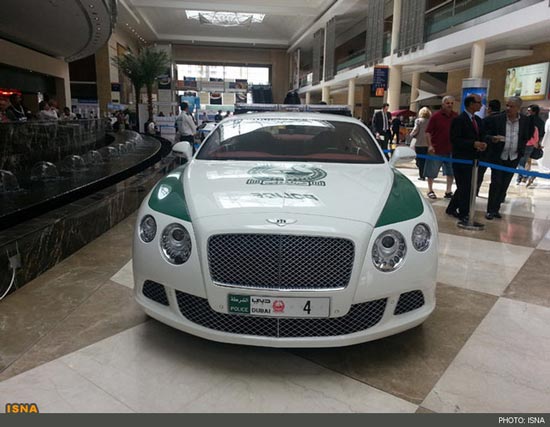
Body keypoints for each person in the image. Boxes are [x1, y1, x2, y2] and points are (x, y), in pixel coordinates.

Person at [484, 96, 530, 220]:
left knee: (504, 184)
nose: (508, 108)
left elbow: (526, 135)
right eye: (507, 105)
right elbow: (485, 134)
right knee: (496, 183)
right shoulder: (497, 119)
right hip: (498, 157)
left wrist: (521, 149)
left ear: (518, 108)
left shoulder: (525, 121)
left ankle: (496, 209)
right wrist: (492, 138)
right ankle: (490, 210)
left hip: (513, 157)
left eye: (512, 106)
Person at [447, 94, 487, 222]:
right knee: (465, 187)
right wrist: (472, 144)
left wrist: (484, 143)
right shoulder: (459, 120)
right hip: (461, 159)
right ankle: (464, 213)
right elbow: (455, 139)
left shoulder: (478, 120)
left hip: (474, 159)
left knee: (467, 186)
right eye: (478, 102)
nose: (481, 105)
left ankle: (451, 208)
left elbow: (481, 136)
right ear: (471, 104)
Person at [424, 96, 457, 199]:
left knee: (450, 171)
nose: (450, 105)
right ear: (443, 104)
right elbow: (428, 132)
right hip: (436, 149)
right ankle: (430, 190)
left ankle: (448, 191)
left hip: (450, 149)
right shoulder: (435, 116)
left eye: (451, 103)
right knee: (431, 171)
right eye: (448, 103)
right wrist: (430, 145)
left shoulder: (455, 116)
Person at [477, 99, 501, 194]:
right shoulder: (503, 120)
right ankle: (496, 196)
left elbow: (481, 135)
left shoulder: (485, 120)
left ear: (489, 108)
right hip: (499, 152)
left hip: (485, 151)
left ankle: (475, 191)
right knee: (497, 177)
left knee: (479, 174)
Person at [517, 104, 545, 187]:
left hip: (525, 145)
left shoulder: (525, 121)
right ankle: (521, 178)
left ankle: (526, 176)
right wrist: (537, 144)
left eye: (529, 110)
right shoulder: (541, 122)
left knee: (521, 163)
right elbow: (541, 134)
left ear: (533, 112)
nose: (527, 112)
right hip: (533, 145)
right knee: (526, 162)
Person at [409, 107, 431, 181]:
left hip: (419, 143)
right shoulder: (430, 121)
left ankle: (422, 175)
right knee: (425, 160)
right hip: (428, 143)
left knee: (419, 159)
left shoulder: (418, 121)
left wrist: (411, 134)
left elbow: (415, 130)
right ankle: (424, 174)